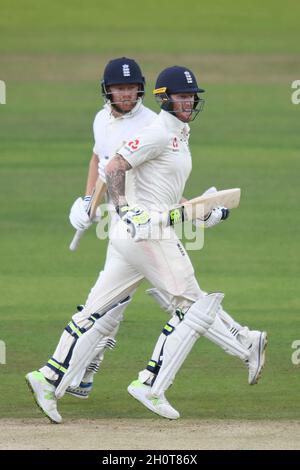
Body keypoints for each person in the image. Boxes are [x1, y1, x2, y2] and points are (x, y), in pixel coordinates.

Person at [25, 65, 267, 423]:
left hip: (133, 235)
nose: (187, 102)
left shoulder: (178, 133)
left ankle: (48, 378)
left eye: (191, 96)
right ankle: (152, 383)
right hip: (145, 233)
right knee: (193, 305)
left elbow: (162, 191)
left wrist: (201, 211)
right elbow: (114, 166)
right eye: (180, 96)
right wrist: (125, 209)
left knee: (98, 310)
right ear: (164, 99)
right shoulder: (157, 132)